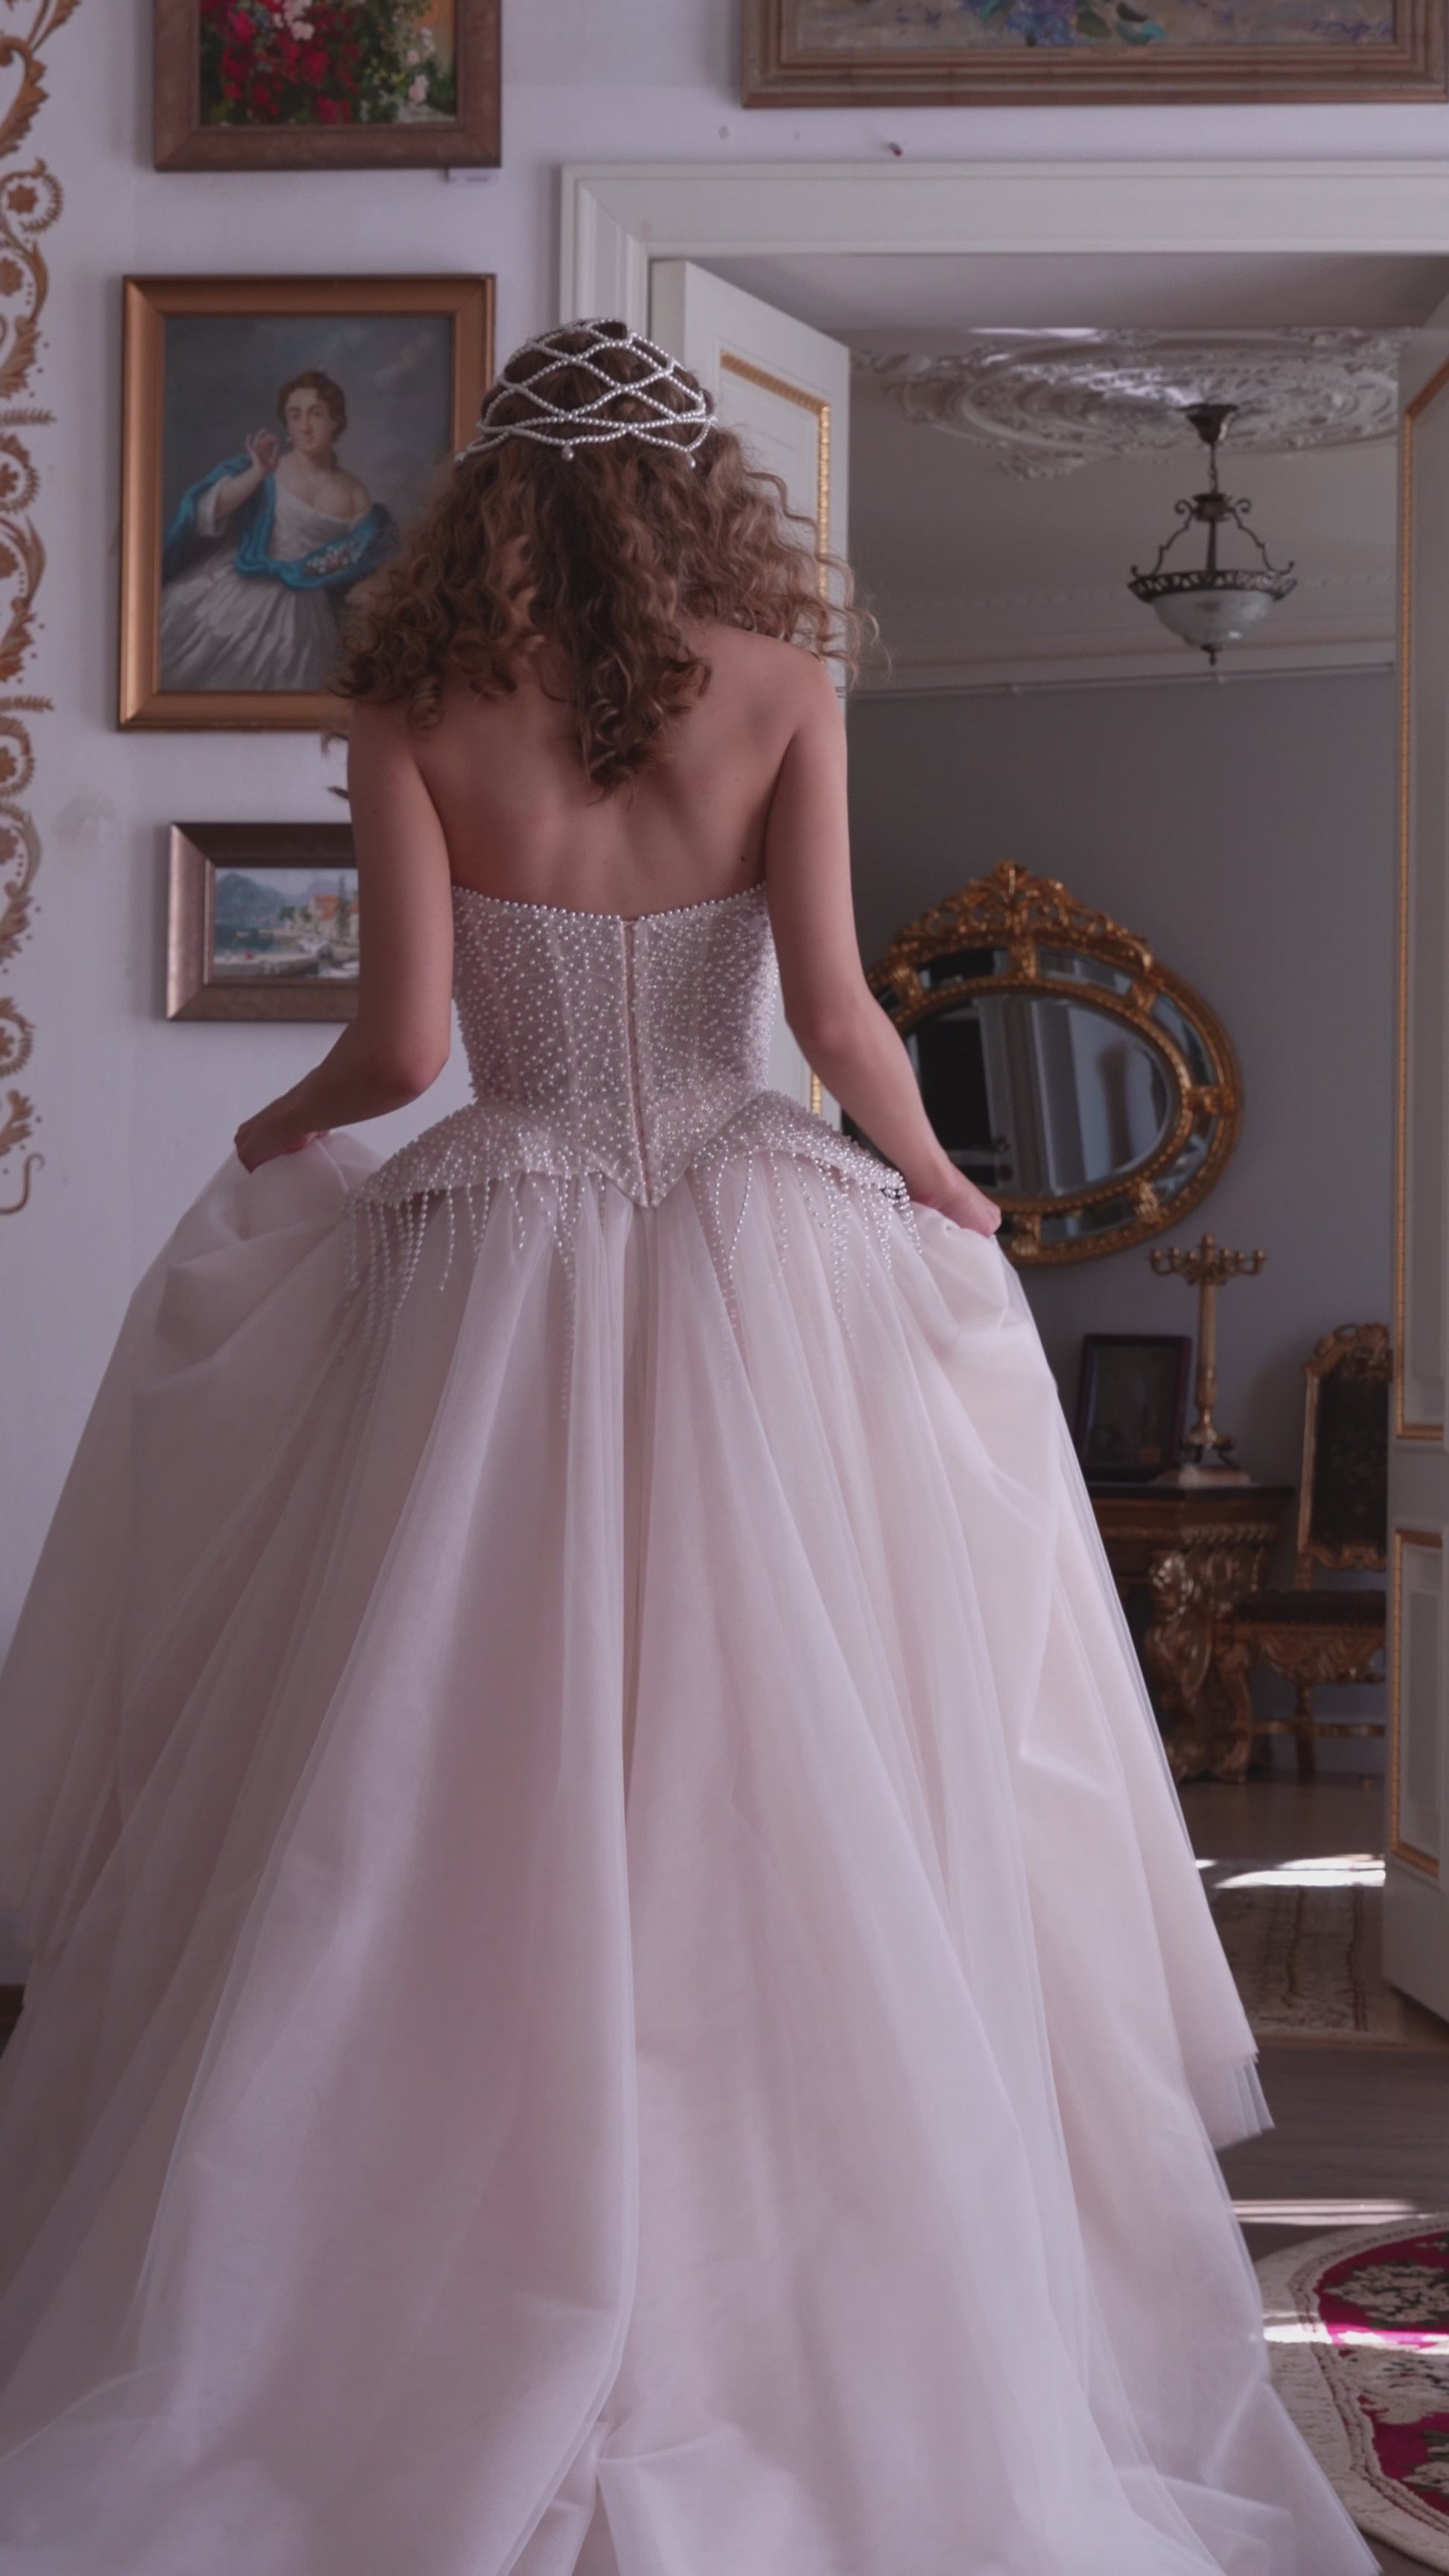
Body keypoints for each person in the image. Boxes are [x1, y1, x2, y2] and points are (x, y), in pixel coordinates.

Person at [0, 321, 1374, 2576]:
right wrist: (944, 1196)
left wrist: (275, 1129)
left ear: (490, 495)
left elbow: (411, 1046)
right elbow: (837, 1022)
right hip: (761, 1251)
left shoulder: (414, 707)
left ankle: (422, 2269)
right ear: (694, 497)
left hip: (506, 1254)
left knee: (447, 1761)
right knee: (802, 1765)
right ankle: (804, 2276)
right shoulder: (777, 682)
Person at [159, 366, 396, 694]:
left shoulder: (355, 494)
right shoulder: (269, 468)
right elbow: (207, 511)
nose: (305, 426)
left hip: (302, 610)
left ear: (335, 421)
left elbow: (360, 558)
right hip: (238, 587)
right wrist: (256, 474)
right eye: (295, 415)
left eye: (316, 414)